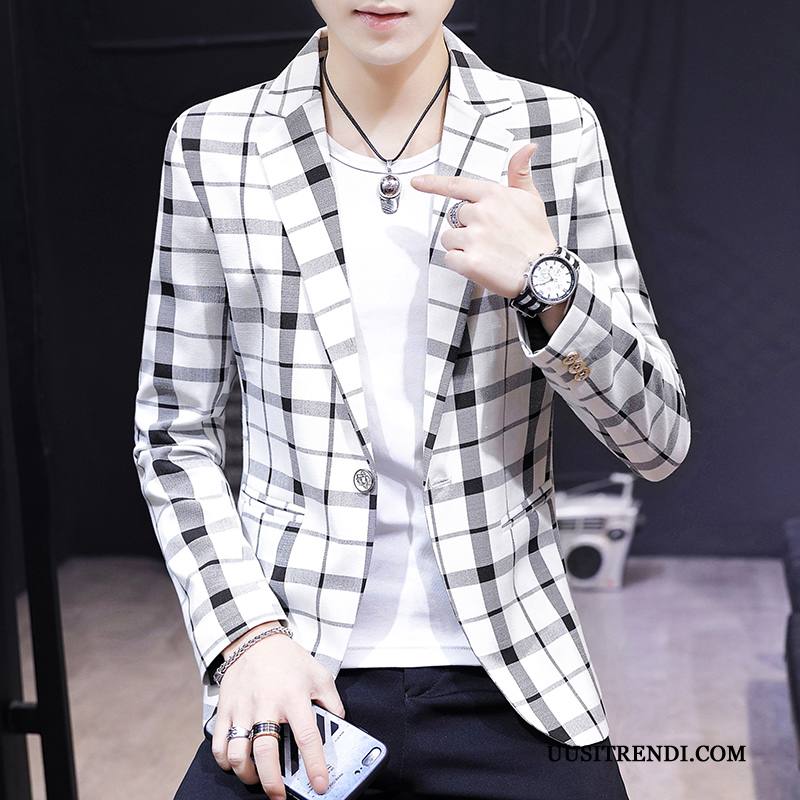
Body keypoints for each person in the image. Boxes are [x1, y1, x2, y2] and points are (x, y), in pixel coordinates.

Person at [132, 1, 690, 798]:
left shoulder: (553, 130)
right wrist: (246, 636)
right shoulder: (213, 142)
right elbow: (173, 432)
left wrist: (549, 285)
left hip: (514, 674)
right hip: (292, 670)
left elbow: (658, 440)